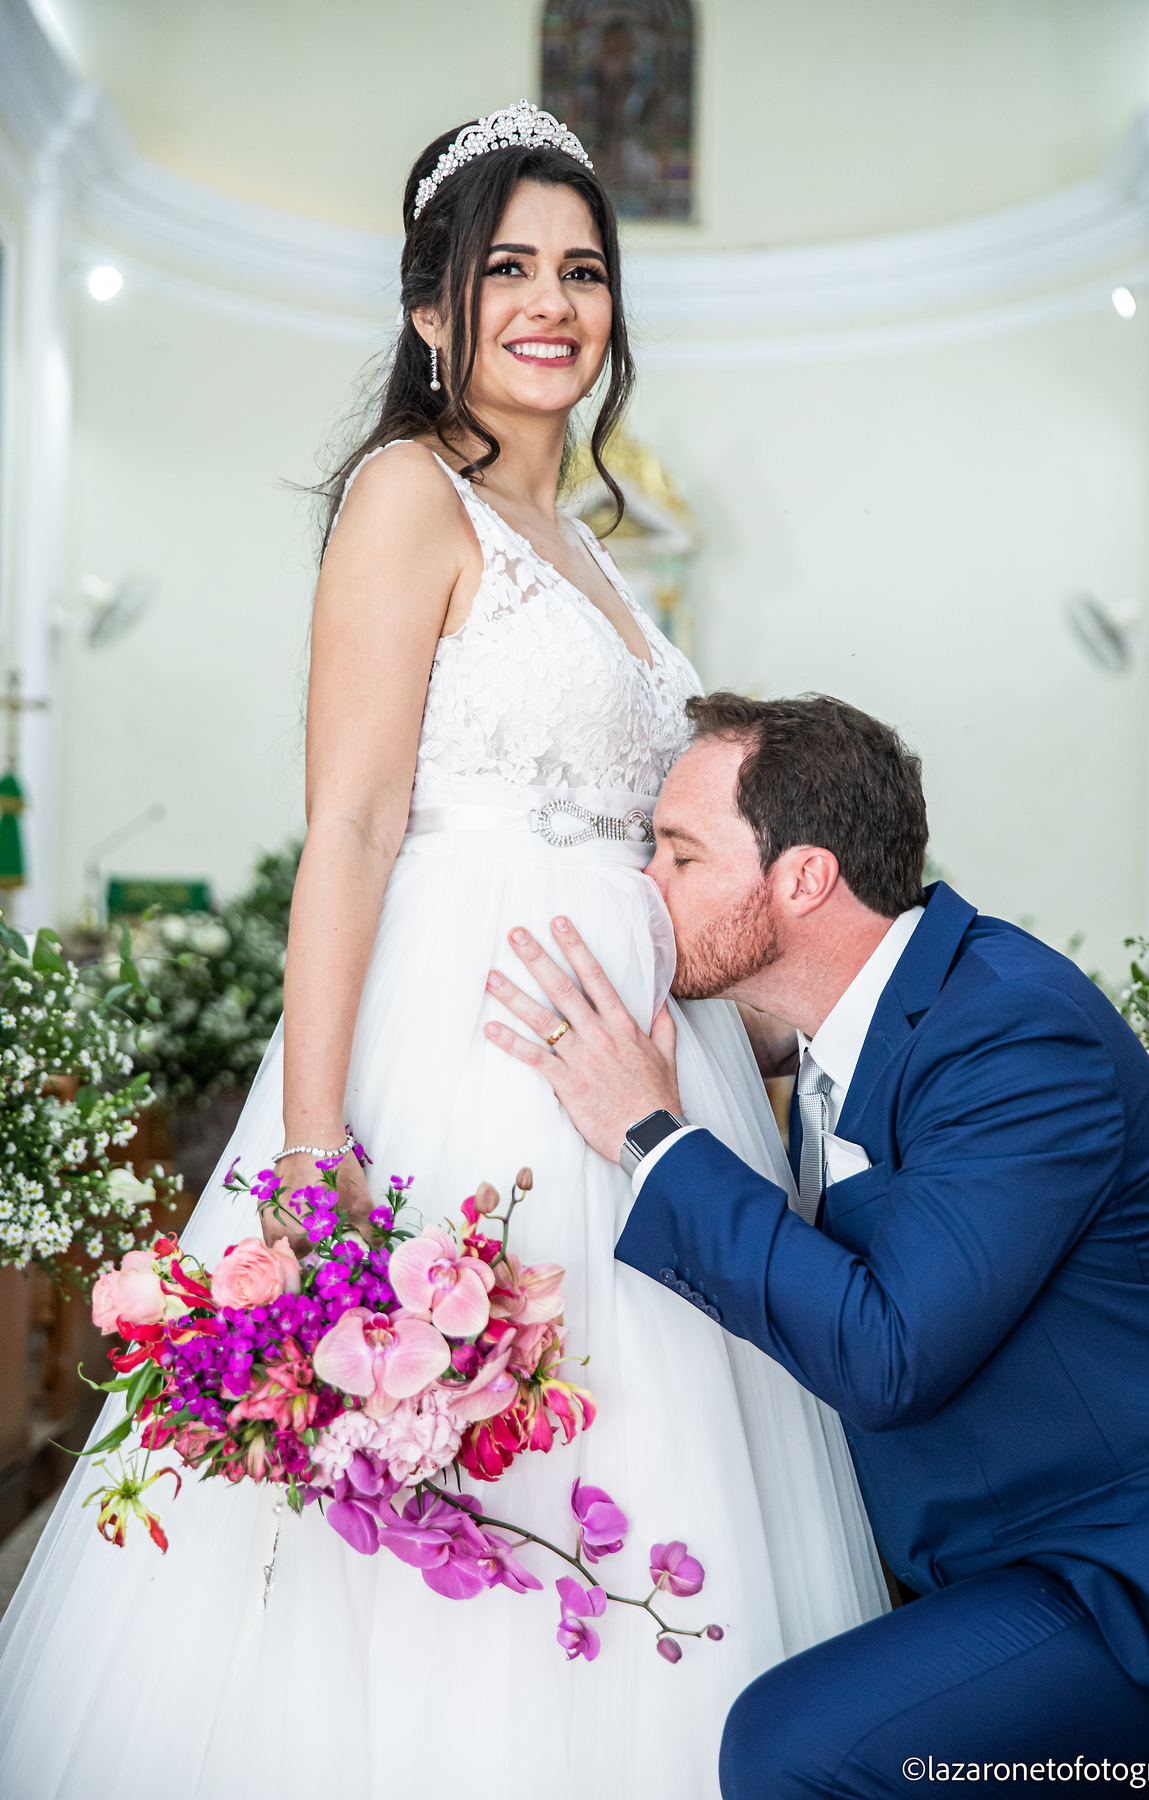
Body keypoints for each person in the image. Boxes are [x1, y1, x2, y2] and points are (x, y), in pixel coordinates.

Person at [0, 112, 888, 1800]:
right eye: (508, 270)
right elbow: (348, 824)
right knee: (436, 1436)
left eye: (584, 271)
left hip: (636, 1067)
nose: (554, 304)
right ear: (430, 310)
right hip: (465, 1051)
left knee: (635, 1445)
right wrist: (312, 1146)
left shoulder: (595, 547)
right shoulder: (409, 496)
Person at [484, 691, 1149, 1796]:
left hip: (1131, 1585)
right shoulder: (849, 1025)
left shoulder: (1015, 1034)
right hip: (990, 1565)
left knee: (792, 1745)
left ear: (805, 878)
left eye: (680, 855)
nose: (645, 885)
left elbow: (887, 1352)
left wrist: (651, 1133)